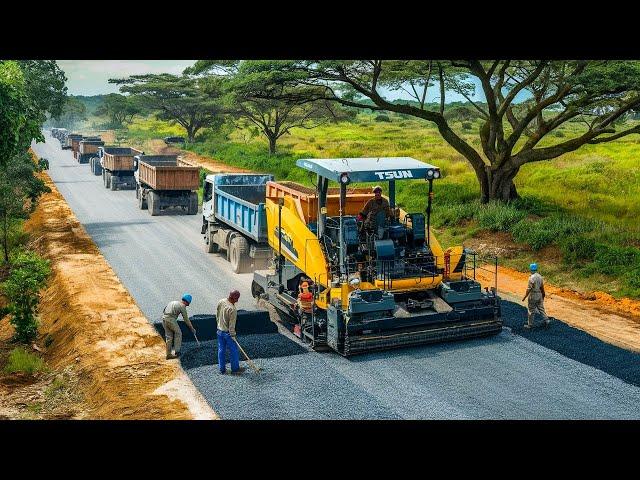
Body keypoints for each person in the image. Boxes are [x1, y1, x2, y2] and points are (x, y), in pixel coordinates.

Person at [216, 289, 245, 375]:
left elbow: (217, 314)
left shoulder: (221, 301)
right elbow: (231, 325)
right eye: (237, 298)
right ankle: (235, 369)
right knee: (234, 350)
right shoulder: (232, 309)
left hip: (219, 331)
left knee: (221, 349)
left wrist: (218, 325)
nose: (237, 300)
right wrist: (233, 335)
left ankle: (222, 369)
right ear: (233, 298)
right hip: (228, 333)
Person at [162, 294, 196, 359]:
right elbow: (186, 319)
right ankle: (177, 351)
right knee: (178, 333)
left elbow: (164, 310)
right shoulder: (182, 306)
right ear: (187, 302)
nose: (186, 305)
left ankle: (168, 354)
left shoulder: (172, 302)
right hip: (171, 319)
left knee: (169, 337)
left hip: (164, 319)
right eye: (187, 304)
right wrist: (192, 328)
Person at [522, 263, 551, 329]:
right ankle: (547, 320)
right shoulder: (540, 276)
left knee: (531, 310)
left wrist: (525, 296)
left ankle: (530, 325)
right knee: (541, 308)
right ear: (536, 269)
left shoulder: (531, 278)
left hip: (533, 295)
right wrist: (543, 294)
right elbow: (542, 287)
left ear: (530, 269)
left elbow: (529, 289)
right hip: (539, 294)